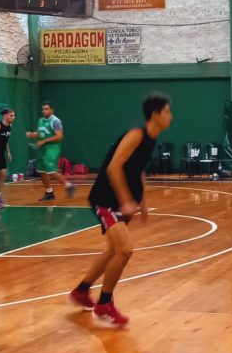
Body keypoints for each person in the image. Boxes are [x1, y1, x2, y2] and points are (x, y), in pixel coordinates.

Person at [68, 94, 173, 328]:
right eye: (167, 111)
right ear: (155, 114)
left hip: (120, 201)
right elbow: (113, 167)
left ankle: (81, 290)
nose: (170, 116)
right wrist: (126, 200)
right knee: (125, 250)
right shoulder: (136, 135)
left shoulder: (151, 139)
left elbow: (138, 170)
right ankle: (104, 304)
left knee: (112, 251)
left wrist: (143, 202)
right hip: (106, 199)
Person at [27, 103, 74, 202]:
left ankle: (69, 185)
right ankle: (49, 192)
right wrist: (32, 135)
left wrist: (44, 141)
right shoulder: (41, 120)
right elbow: (40, 133)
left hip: (52, 149)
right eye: (43, 109)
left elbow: (59, 136)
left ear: (51, 110)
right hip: (42, 149)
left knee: (51, 171)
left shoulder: (55, 121)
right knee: (42, 171)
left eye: (46, 109)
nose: (44, 111)